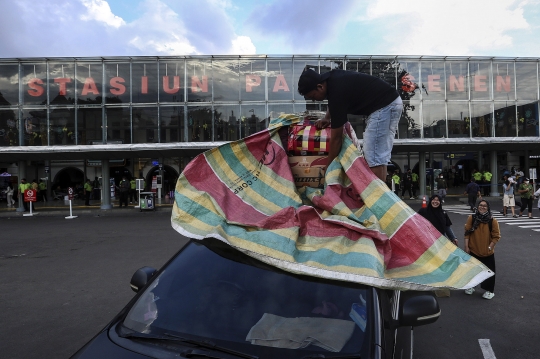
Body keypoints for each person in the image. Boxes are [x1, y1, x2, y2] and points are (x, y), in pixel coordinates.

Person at [297, 68, 403, 182]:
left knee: (374, 155)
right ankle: (379, 195)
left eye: (313, 96)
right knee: (376, 155)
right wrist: (327, 118)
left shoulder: (337, 90)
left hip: (385, 106)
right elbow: (334, 103)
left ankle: (377, 198)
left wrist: (329, 168)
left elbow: (336, 138)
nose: (313, 101)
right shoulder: (331, 80)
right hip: (388, 104)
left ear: (320, 87)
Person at [464, 199, 500, 300]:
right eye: (480, 205)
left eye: (485, 206)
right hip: (473, 250)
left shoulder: (492, 221)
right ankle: (471, 286)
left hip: (487, 252)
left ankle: (489, 291)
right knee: (472, 270)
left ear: (488, 208)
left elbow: (496, 236)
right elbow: (467, 233)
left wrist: (490, 247)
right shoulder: (472, 217)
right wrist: (466, 247)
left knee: (488, 272)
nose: (482, 207)